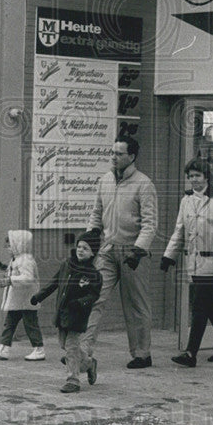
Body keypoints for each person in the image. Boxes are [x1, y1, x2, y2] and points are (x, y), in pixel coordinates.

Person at [81, 135, 158, 369]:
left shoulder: (143, 184)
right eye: (112, 153)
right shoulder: (105, 180)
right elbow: (96, 212)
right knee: (94, 297)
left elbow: (150, 223)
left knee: (136, 305)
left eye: (119, 153)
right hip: (107, 249)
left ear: (131, 156)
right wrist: (89, 237)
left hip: (132, 251)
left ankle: (142, 354)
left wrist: (139, 249)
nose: (113, 157)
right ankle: (83, 352)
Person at [160, 159, 213, 367]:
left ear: (207, 177)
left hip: (212, 262)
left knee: (200, 306)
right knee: (211, 306)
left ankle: (191, 353)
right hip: (193, 261)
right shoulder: (186, 201)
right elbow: (180, 230)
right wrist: (169, 255)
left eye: (197, 175)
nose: (194, 180)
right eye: (191, 176)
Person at [30, 230, 103, 393]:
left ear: (92, 253)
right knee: (66, 345)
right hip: (62, 314)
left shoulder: (94, 274)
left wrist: (80, 303)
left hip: (77, 316)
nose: (80, 250)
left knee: (71, 347)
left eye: (85, 248)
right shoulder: (67, 265)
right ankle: (89, 363)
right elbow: (54, 283)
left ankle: (73, 380)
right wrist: (39, 297)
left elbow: (93, 295)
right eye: (79, 246)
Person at [0, 229, 45, 361]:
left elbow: (28, 277)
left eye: (9, 245)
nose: (8, 249)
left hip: (26, 299)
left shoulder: (25, 260)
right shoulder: (17, 259)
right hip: (19, 299)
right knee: (10, 323)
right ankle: (4, 347)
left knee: (30, 324)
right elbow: (13, 272)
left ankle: (39, 349)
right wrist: (1, 266)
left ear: (18, 244)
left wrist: (10, 280)